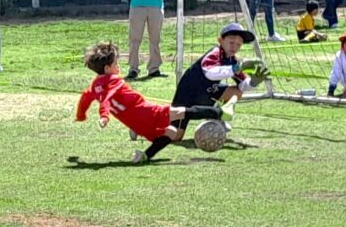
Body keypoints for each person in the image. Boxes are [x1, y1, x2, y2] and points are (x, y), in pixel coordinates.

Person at [76, 42, 236, 164]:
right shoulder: (113, 81)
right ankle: (221, 113)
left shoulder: (95, 86)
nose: (118, 65)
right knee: (182, 111)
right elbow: (108, 98)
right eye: (116, 62)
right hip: (146, 112)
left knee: (172, 133)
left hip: (137, 123)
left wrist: (82, 114)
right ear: (107, 68)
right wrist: (104, 115)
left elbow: (86, 97)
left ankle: (145, 155)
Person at [170, 22, 270, 141]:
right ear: (220, 40)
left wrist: (253, 82)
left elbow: (243, 85)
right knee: (175, 137)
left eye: (239, 44)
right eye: (231, 42)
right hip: (187, 98)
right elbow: (210, 72)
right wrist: (236, 68)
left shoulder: (233, 61)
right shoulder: (215, 52)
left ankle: (218, 119)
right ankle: (152, 119)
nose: (235, 47)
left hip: (207, 95)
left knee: (236, 92)